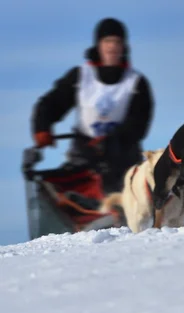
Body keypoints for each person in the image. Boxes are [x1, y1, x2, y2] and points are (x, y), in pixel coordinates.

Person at [31, 17, 154, 193]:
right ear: (98, 45)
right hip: (84, 158)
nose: (112, 47)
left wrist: (111, 141)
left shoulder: (137, 83)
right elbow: (51, 104)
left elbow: (138, 125)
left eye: (117, 42)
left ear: (124, 47)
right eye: (107, 41)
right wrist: (42, 127)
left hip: (123, 161)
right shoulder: (80, 77)